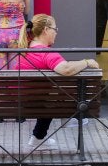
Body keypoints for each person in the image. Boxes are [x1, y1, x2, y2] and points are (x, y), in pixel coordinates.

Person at [17, 13, 100, 150]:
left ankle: (38, 137)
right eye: (55, 29)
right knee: (67, 79)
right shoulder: (46, 53)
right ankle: (70, 115)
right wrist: (87, 62)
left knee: (50, 89)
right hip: (40, 103)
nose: (56, 33)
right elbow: (66, 69)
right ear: (46, 30)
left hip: (22, 101)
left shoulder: (24, 52)